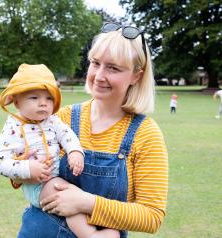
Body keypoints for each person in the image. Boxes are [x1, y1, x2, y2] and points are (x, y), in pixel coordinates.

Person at [15, 22, 169, 238]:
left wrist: (86, 203)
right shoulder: (62, 118)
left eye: (113, 68)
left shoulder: (145, 134)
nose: (99, 75)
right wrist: (24, 168)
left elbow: (151, 216)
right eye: (95, 63)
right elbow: (20, 164)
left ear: (137, 75)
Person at [0, 63, 120, 238]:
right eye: (34, 98)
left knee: (74, 197)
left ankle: (95, 225)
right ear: (16, 101)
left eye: (48, 98)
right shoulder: (13, 128)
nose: (43, 104)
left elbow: (67, 135)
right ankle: (90, 234)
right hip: (36, 185)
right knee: (68, 197)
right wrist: (27, 168)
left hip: (53, 178)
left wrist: (75, 151)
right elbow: (0, 163)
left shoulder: (52, 120)